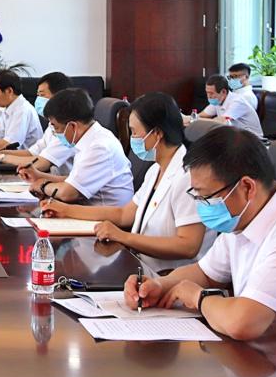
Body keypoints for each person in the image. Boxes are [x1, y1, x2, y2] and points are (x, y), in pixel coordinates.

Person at [124, 126, 276, 367]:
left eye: (206, 197)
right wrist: (160, 285)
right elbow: (205, 273)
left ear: (247, 187)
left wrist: (197, 297)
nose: (201, 206)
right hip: (256, 363)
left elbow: (242, 323)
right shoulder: (243, 217)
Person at [42, 93, 215, 273]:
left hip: (171, 276)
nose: (133, 138)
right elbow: (124, 214)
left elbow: (187, 246)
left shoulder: (188, 177)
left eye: (134, 132)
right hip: (142, 267)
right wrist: (65, 210)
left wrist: (123, 237)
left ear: (157, 133)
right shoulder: (156, 169)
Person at [20, 88, 134, 206]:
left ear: (73, 126)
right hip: (88, 208)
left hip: (103, 214)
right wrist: (40, 177)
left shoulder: (99, 147)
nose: (55, 133)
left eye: (56, 128)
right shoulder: (90, 137)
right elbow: (74, 181)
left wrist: (43, 186)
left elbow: (68, 193)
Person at [0, 71, 74, 175]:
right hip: (45, 175)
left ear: (59, 96)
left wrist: (1, 156)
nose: (38, 100)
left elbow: (41, 163)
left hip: (56, 178)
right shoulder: (52, 125)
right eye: (38, 95)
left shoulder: (68, 127)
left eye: (42, 95)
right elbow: (31, 152)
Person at [196, 75, 264, 137]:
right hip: (235, 137)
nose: (208, 96)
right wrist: (192, 118)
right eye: (207, 92)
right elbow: (201, 115)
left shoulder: (237, 101)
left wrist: (195, 119)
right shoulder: (218, 100)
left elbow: (221, 121)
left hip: (252, 139)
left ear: (223, 92)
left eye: (211, 93)